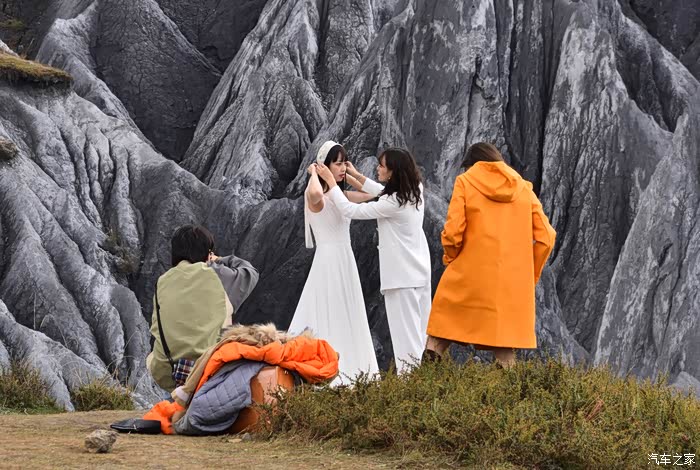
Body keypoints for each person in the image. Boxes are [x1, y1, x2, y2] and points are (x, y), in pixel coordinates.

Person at [423, 143, 556, 367]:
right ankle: (510, 388)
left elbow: (453, 233)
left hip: (467, 275)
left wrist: (451, 258)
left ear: (471, 164)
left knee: (440, 334)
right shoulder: (523, 189)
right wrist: (529, 274)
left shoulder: (466, 182)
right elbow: (547, 237)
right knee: (503, 347)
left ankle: (423, 385)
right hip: (509, 282)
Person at [316, 147, 432, 373]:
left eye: (381, 166)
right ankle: (423, 383)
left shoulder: (393, 203)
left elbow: (351, 210)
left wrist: (331, 182)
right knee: (419, 337)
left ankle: (411, 385)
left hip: (401, 280)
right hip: (419, 275)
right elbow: (381, 192)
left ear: (393, 172)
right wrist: (355, 176)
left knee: (406, 345)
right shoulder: (414, 189)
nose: (377, 168)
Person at [287, 141, 379, 385]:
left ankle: (352, 371)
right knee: (328, 310)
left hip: (344, 259)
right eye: (337, 163)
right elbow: (316, 194)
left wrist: (353, 174)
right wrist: (314, 174)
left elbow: (375, 195)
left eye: (342, 163)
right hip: (328, 260)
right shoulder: (316, 197)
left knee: (348, 313)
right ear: (324, 165)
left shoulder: (341, 196)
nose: (341, 168)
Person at [147, 225, 259, 391]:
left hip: (168, 372)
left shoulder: (162, 281)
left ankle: (178, 396)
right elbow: (250, 272)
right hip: (209, 369)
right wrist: (218, 259)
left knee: (152, 357)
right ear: (207, 253)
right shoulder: (216, 274)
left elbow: (157, 326)